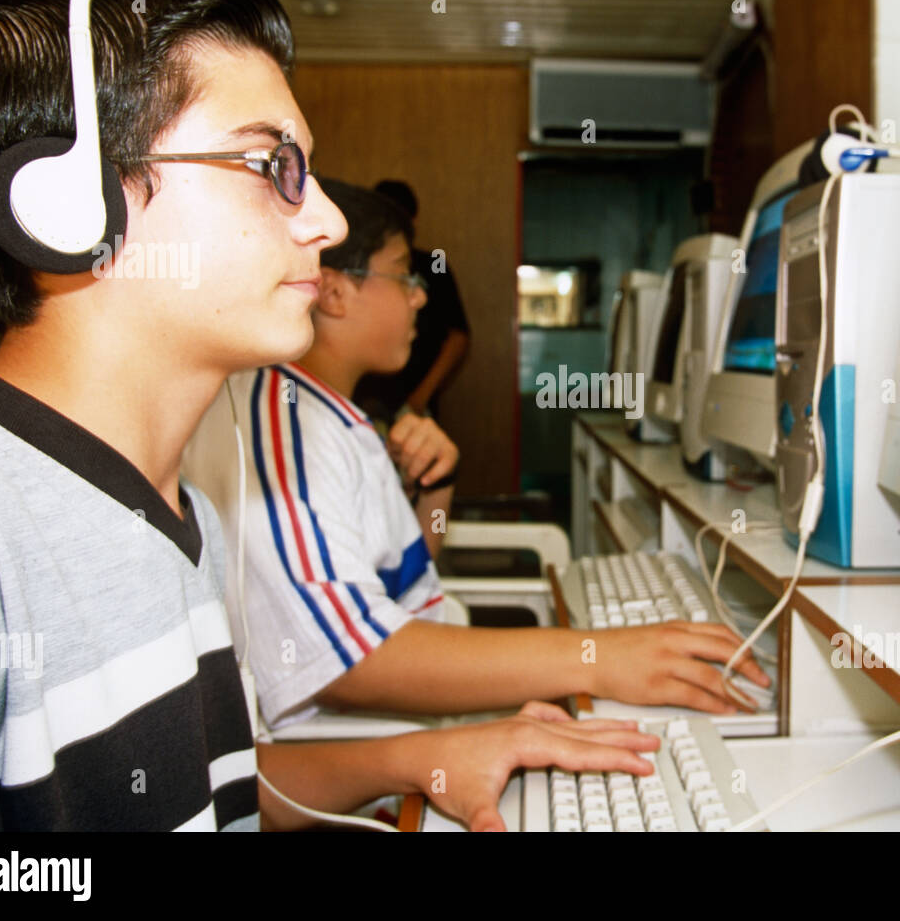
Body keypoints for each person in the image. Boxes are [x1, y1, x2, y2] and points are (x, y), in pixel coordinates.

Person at [0, 0, 654, 833]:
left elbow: (223, 790)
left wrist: (421, 757)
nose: (329, 221)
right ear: (67, 207)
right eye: (271, 165)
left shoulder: (173, 509)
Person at [182, 178, 771, 748]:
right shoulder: (282, 425)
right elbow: (348, 659)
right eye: (404, 275)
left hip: (427, 686)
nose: (420, 295)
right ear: (335, 292)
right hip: (388, 734)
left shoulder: (332, 413)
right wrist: (599, 657)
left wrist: (436, 492)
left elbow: (406, 577)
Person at [354, 178, 470, 420]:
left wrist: (422, 396)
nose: (415, 298)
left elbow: (458, 336)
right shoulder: (355, 267)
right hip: (362, 401)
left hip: (414, 399)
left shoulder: (433, 266)